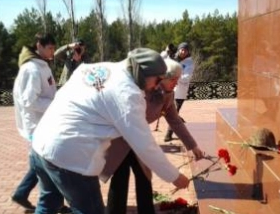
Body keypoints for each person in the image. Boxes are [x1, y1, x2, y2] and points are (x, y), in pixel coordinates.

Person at [30, 48, 190, 214]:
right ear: (144, 74)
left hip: (41, 144)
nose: (157, 86)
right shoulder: (128, 95)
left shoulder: (101, 68)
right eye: (157, 80)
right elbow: (145, 145)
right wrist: (174, 176)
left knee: (48, 204)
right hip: (69, 157)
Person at [101, 58, 205, 214]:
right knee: (120, 178)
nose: (176, 83)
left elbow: (175, 121)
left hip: (139, 137)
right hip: (121, 137)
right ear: (162, 77)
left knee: (144, 177)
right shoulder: (141, 89)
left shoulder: (168, 95)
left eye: (178, 79)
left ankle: (146, 210)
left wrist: (193, 145)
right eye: (174, 79)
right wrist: (173, 176)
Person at [11, 33, 57, 212]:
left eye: (54, 48)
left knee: (43, 163)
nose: (53, 51)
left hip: (43, 121)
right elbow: (29, 101)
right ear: (39, 45)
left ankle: (23, 194)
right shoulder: (32, 69)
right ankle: (49, 203)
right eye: (50, 48)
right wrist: (55, 103)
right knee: (45, 163)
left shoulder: (41, 66)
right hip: (36, 124)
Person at [164, 42, 195, 142]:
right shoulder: (172, 57)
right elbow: (161, 61)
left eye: (185, 50)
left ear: (188, 52)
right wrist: (166, 51)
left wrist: (175, 75)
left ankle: (168, 134)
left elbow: (186, 78)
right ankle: (179, 120)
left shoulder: (189, 63)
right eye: (181, 49)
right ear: (178, 49)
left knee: (174, 113)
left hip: (180, 92)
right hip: (168, 89)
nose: (183, 51)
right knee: (165, 111)